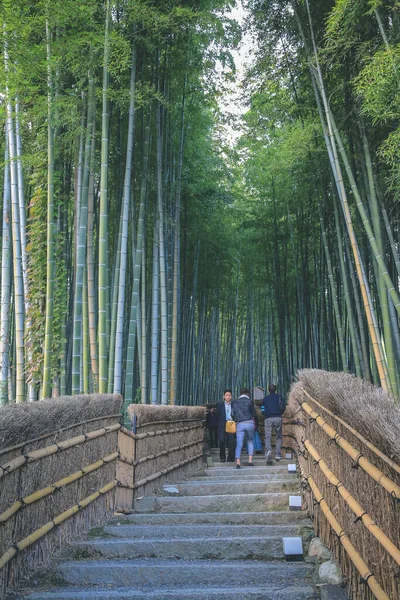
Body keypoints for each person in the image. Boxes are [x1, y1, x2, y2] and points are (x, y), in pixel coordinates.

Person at [231, 388, 258, 469]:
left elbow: (232, 414)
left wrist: (236, 419)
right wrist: (256, 424)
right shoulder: (250, 401)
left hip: (240, 424)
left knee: (239, 444)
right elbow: (254, 413)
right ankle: (250, 461)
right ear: (247, 394)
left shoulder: (235, 402)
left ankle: (238, 463)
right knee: (250, 441)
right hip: (250, 423)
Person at [262, 384, 285, 464]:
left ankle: (268, 451)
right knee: (278, 436)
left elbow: (262, 409)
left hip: (268, 418)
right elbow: (283, 407)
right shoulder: (279, 397)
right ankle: (278, 454)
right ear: (275, 390)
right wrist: (280, 413)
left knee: (267, 436)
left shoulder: (265, 399)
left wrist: (265, 414)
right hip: (278, 417)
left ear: (268, 390)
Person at [217, 389, 235, 462]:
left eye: (229, 395)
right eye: (226, 395)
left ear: (231, 396)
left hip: (231, 423)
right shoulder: (219, 404)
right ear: (223, 396)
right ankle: (222, 457)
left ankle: (230, 457)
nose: (228, 397)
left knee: (231, 441)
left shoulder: (234, 404)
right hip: (222, 424)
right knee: (221, 440)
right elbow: (217, 414)